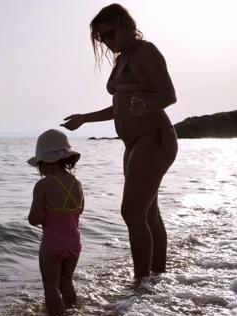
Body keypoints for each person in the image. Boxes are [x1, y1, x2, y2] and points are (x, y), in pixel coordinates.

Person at [61, 3, 178, 282]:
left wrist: (146, 105)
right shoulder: (121, 59)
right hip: (134, 144)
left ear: (125, 25)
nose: (107, 41)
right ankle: (157, 278)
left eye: (110, 34)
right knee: (148, 212)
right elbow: (119, 106)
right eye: (101, 37)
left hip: (156, 137)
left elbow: (169, 95)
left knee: (131, 211)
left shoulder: (145, 52)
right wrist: (84, 119)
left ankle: (141, 285)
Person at [27, 129, 84, 315]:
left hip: (52, 244)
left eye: (39, 165)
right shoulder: (77, 183)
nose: (39, 170)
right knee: (66, 282)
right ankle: (73, 312)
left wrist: (46, 213)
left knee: (51, 286)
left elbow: (34, 219)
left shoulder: (43, 185)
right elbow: (79, 210)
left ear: (46, 163)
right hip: (74, 242)